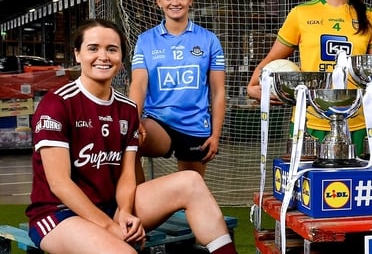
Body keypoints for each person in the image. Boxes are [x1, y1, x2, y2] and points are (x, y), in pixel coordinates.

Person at [26, 19, 236, 254]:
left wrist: (125, 211)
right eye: (93, 48)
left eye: (112, 49)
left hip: (111, 207)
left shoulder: (126, 109)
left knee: (191, 182)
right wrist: (108, 226)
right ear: (77, 54)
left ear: (121, 58)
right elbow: (59, 183)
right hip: (60, 214)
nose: (103, 56)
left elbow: (127, 175)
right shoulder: (57, 103)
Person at [246, 0, 372, 156]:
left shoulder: (370, 17)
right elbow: (270, 60)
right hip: (309, 121)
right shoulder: (301, 14)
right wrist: (253, 87)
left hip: (357, 122)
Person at [129, 0, 226, 182]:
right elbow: (138, 84)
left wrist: (216, 134)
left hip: (195, 125)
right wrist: (133, 121)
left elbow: (218, 92)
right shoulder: (145, 41)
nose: (175, 2)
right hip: (158, 122)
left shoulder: (209, 40)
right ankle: (139, 201)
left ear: (190, 0)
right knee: (128, 142)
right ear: (158, 1)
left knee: (191, 188)